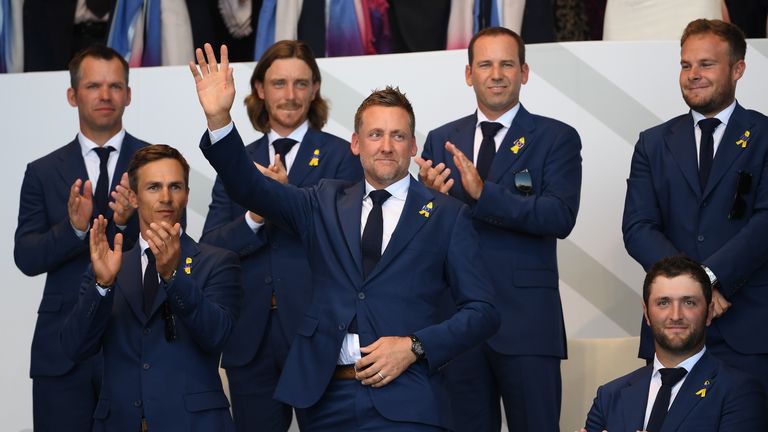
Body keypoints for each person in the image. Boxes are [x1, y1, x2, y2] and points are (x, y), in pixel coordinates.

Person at [189, 43, 500, 431]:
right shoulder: (323, 201)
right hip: (326, 402)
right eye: (375, 134)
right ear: (356, 144)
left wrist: (414, 346)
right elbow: (251, 187)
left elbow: (484, 311)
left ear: (413, 145)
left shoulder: (447, 215)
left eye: (398, 136)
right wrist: (219, 118)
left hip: (409, 399)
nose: (386, 146)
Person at [417, 26, 582, 431]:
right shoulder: (441, 139)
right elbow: (421, 234)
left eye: (506, 64)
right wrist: (427, 204)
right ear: (468, 73)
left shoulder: (556, 137)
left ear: (524, 72)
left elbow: (559, 216)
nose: (496, 74)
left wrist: (482, 193)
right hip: (455, 323)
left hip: (527, 325)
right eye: (485, 64)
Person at [199, 39, 362, 432]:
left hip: (318, 334)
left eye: (301, 84)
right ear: (259, 89)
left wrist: (284, 201)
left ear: (315, 89)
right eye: (279, 83)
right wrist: (257, 214)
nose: (290, 96)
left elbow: (351, 242)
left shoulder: (344, 156)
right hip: (250, 338)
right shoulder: (236, 159)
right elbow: (212, 246)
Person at [622, 19, 768, 395]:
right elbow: (638, 227)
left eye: (706, 64)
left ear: (738, 69)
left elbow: (765, 223)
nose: (693, 75)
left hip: (747, 328)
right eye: (686, 65)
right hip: (671, 333)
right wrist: (692, 291)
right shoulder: (652, 144)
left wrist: (711, 280)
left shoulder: (764, 136)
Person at [61, 144, 242, 431]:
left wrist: (172, 276)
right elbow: (74, 347)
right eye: (154, 187)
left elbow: (217, 336)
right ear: (133, 196)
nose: (166, 198)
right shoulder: (108, 264)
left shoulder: (219, 262)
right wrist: (103, 285)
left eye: (176, 186)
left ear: (187, 195)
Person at [14, 45, 148, 431]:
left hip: (133, 343)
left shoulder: (153, 163)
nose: (105, 96)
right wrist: (73, 229)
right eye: (93, 86)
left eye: (114, 86)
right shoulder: (41, 171)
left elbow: (173, 245)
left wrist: (125, 224)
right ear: (73, 95)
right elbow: (26, 256)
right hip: (61, 350)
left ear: (128, 94)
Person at [582, 255, 767, 431]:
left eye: (689, 302)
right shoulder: (609, 396)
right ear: (646, 313)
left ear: (709, 312)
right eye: (663, 303)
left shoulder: (739, 391)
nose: (676, 315)